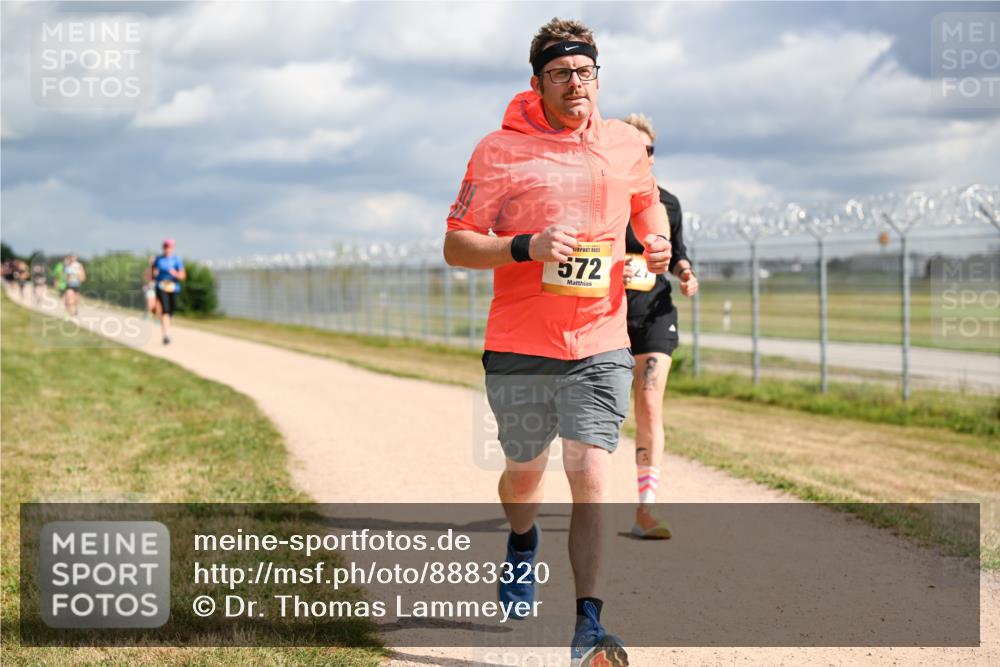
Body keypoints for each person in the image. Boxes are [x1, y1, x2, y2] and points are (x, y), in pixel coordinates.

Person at [444, 17, 672, 667]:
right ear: (537, 82)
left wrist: (654, 238)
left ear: (599, 76)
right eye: (561, 73)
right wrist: (526, 246)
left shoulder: (626, 144)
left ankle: (589, 624)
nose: (576, 84)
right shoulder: (498, 151)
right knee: (524, 473)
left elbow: (647, 200)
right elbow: (457, 243)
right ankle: (522, 542)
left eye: (586, 72)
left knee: (591, 469)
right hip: (520, 342)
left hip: (600, 339)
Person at [619, 113, 699, 540]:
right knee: (605, 412)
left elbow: (678, 252)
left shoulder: (667, 203)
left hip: (654, 314)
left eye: (648, 150)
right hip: (606, 319)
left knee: (649, 401)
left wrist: (685, 273)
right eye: (632, 149)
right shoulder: (605, 199)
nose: (642, 156)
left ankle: (646, 509)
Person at [152, 239, 185, 345]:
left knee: (171, 310)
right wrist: (154, 274)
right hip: (161, 287)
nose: (167, 249)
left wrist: (175, 273)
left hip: (173, 287)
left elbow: (182, 276)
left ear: (173, 248)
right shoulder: (158, 259)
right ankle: (165, 335)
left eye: (169, 247)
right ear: (163, 248)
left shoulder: (177, 260)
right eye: (166, 247)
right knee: (165, 310)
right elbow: (152, 273)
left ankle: (166, 327)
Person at [142, 255, 160, 320]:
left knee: (156, 305)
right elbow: (145, 279)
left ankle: (156, 318)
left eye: (153, 260)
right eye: (150, 260)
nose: (151, 262)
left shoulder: (158, 270)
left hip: (157, 288)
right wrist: (146, 285)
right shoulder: (147, 270)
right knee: (149, 304)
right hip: (149, 288)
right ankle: (147, 316)